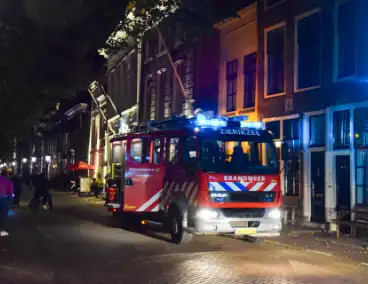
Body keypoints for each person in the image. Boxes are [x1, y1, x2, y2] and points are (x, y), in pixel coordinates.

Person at [0, 170, 14, 237]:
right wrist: (10, 200)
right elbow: (10, 192)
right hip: (5, 199)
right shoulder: (9, 181)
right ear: (6, 175)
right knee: (4, 214)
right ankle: (2, 229)